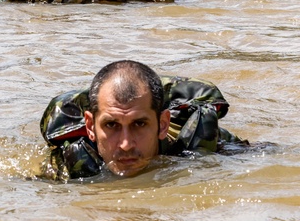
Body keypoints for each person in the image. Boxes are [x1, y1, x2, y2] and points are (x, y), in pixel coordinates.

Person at [40, 60, 251, 180]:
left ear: (163, 124)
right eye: (111, 125)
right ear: (90, 126)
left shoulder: (208, 146)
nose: (125, 144)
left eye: (139, 124)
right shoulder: (64, 166)